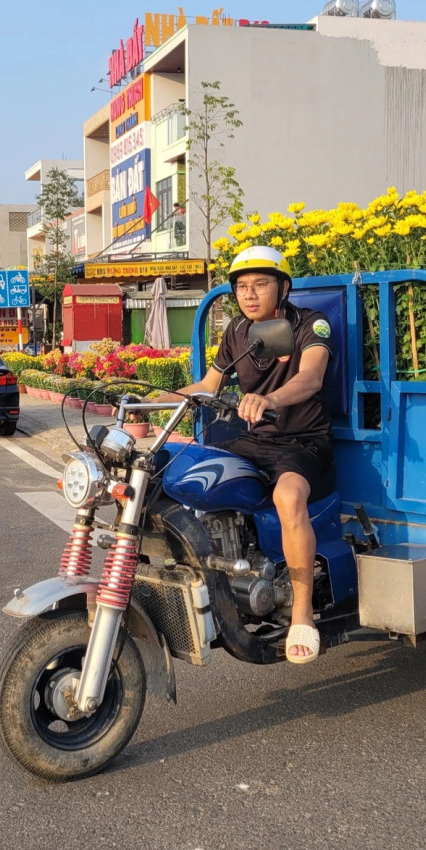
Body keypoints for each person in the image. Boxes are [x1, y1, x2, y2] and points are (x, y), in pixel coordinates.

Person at [175, 245, 333, 664]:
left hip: (302, 441)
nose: (250, 294)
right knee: (188, 477)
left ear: (282, 287)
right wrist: (156, 400)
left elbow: (311, 378)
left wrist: (269, 399)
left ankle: (302, 611)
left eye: (260, 284)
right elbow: (210, 382)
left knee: (288, 497)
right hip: (255, 441)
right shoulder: (238, 332)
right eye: (242, 287)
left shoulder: (311, 326)